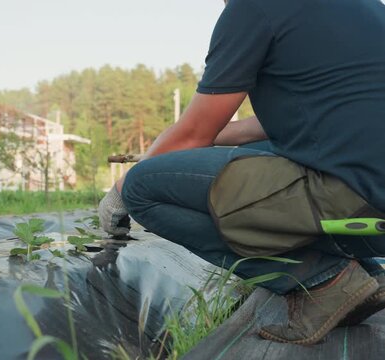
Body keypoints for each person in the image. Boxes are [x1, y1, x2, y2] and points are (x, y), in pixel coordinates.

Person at [99, 0, 385, 345]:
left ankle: (324, 282)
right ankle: (369, 275)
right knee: (267, 152)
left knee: (144, 186)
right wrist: (204, 137)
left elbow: (192, 135)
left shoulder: (254, 8)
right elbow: (274, 124)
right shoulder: (365, 7)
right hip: (373, 217)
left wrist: (122, 186)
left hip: (356, 205)